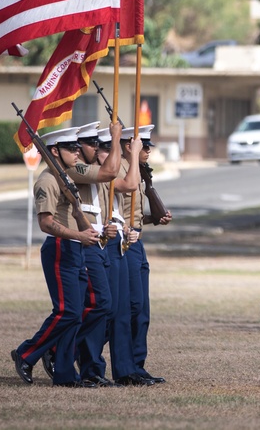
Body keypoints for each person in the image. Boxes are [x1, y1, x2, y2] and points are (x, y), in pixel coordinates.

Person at [11, 127, 101, 387]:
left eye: (77, 147)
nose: (77, 152)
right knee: (67, 312)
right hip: (60, 247)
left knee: (76, 314)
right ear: (54, 151)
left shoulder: (67, 179)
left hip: (74, 248)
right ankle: (26, 353)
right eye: (70, 148)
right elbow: (46, 223)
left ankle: (64, 374)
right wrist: (79, 235)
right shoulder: (48, 181)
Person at [63, 120, 123, 388]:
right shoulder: (75, 169)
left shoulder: (92, 169)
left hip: (100, 242)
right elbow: (111, 172)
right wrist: (118, 139)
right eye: (91, 144)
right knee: (98, 306)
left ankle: (89, 365)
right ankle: (67, 353)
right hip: (85, 244)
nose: (93, 148)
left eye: (97, 143)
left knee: (107, 309)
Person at [116, 125, 172, 384]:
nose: (148, 150)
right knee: (128, 308)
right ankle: (125, 369)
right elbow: (116, 212)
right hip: (122, 243)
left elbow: (135, 216)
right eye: (143, 145)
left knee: (142, 311)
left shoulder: (140, 173)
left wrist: (154, 218)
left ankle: (137, 366)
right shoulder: (120, 170)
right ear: (129, 146)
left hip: (137, 242)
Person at [94, 125, 149, 386]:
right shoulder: (104, 173)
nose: (107, 154)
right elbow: (130, 185)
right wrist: (129, 151)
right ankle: (67, 352)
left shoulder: (115, 170)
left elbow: (121, 210)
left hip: (127, 238)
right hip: (104, 243)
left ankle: (130, 368)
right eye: (105, 148)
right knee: (111, 310)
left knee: (132, 310)